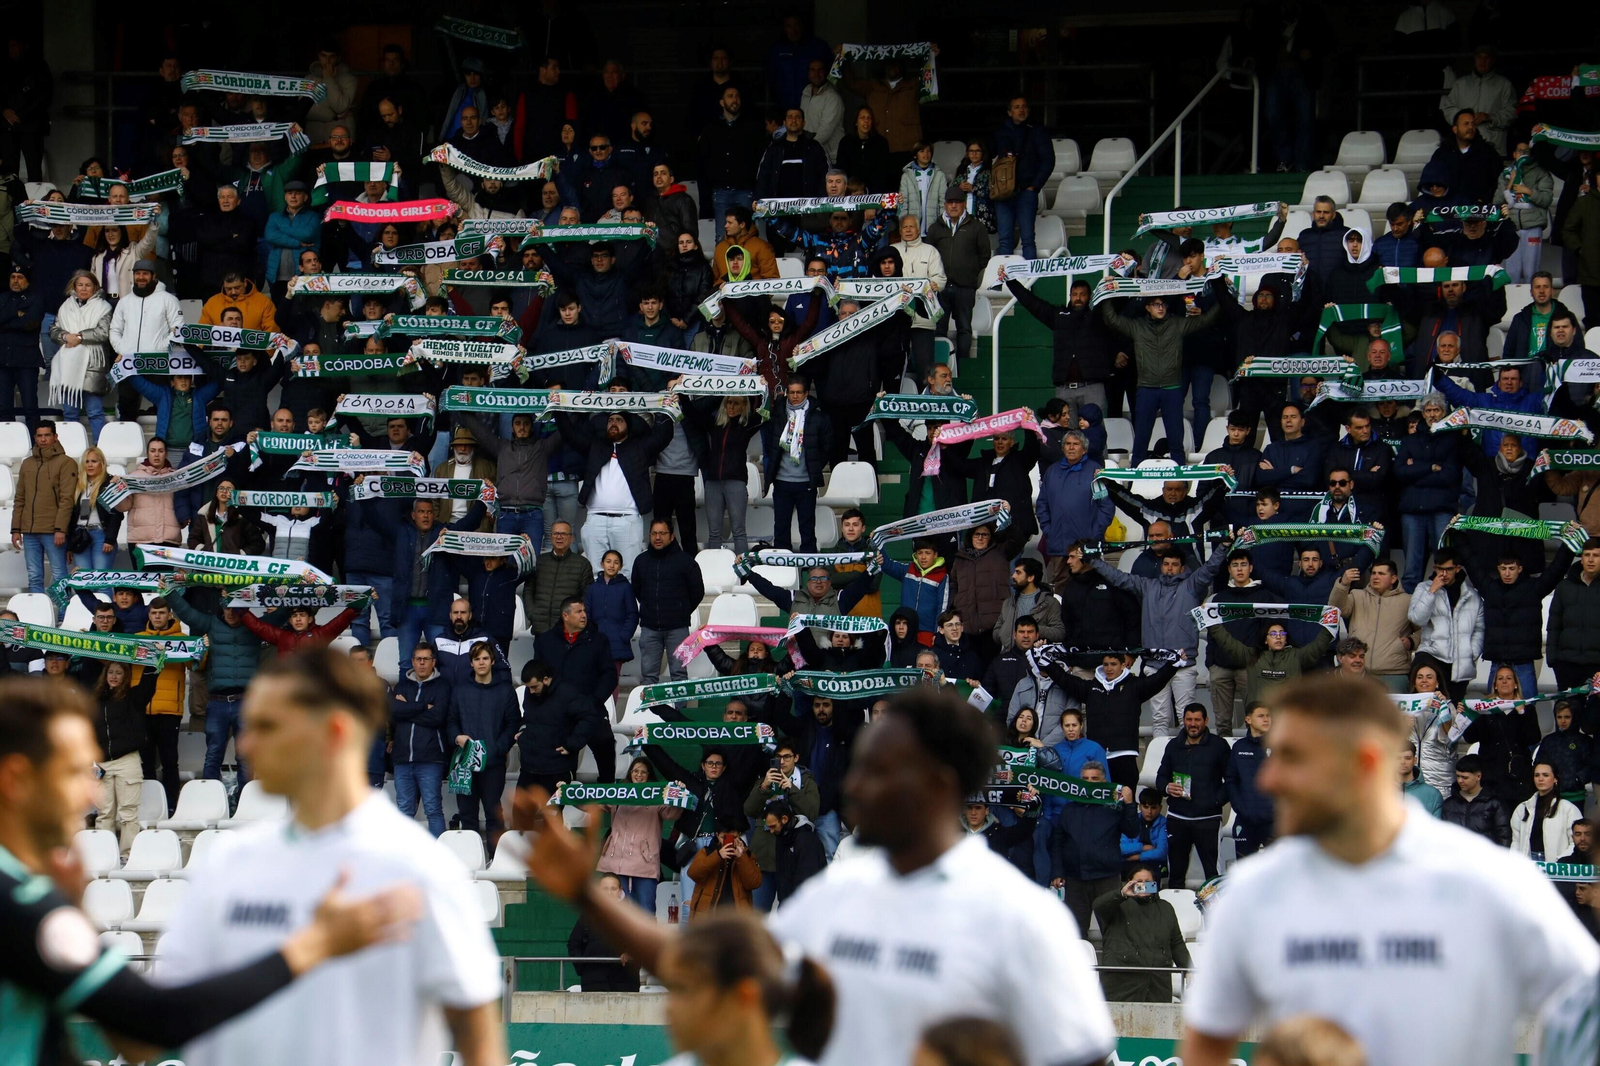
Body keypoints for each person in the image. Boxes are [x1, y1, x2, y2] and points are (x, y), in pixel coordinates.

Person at [516, 687, 1118, 1066]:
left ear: (937, 786)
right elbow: (714, 966)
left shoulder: (1023, 920)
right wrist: (584, 896)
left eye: (875, 771)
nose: (852, 787)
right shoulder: (842, 892)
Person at [0, 673, 428, 1066]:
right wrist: (315, 944)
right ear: (16, 780)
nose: (92, 793)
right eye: (74, 773)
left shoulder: (26, 894)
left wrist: (73, 906)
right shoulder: (19, 902)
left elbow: (134, 1043)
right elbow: (157, 1022)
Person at [1179, 675, 1600, 1066]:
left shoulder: (1487, 881)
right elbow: (1207, 1040)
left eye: (1293, 757)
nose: (1268, 779)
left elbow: (1586, 996)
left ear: (1362, 762)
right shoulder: (1254, 893)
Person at [152, 647, 505, 1066]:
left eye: (268, 726)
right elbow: (155, 1024)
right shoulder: (228, 860)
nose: (245, 744)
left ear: (333, 733)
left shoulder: (420, 870)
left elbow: (479, 1040)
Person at [1092, 545, 1228, 736]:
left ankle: (1187, 760)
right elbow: (1119, 578)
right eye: (1166, 564)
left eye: (1174, 565)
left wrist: (1223, 547)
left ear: (1182, 568)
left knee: (1186, 718)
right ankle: (1161, 763)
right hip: (1155, 665)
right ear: (1161, 566)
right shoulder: (1148, 586)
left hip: (1183, 665)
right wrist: (1094, 560)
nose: (1169, 568)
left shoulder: (1191, 585)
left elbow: (1211, 568)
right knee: (1159, 718)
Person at [1048, 762, 1139, 936]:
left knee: (1113, 931)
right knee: (1074, 934)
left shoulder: (1114, 807)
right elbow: (1058, 842)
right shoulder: (1069, 809)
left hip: (1106, 878)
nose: (1089, 782)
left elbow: (1133, 831)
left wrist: (1129, 804)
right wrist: (1057, 871)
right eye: (1085, 779)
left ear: (1104, 780)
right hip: (1075, 880)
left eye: (1094, 779)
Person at [446, 641, 520, 846]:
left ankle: (495, 858)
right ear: (471, 663)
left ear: (493, 661)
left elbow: (513, 723)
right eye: (477, 659)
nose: (481, 662)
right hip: (465, 762)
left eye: (485, 658)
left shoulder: (505, 690)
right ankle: (471, 857)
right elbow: (451, 720)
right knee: (467, 813)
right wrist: (457, 737)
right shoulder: (460, 690)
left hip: (493, 763)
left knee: (493, 812)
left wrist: (498, 748)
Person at [1155, 704, 1231, 888]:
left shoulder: (1219, 745)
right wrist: (1167, 787)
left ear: (1206, 721)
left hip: (1208, 819)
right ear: (1184, 721)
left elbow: (1231, 780)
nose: (1193, 724)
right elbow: (1161, 777)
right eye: (1189, 719)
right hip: (1177, 818)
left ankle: (1215, 915)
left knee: (1213, 874)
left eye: (1197, 720)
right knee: (1176, 874)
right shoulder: (1173, 745)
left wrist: (1215, 801)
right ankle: (1176, 914)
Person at [1093, 865, 1192, 1003]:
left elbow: (1176, 943)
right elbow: (1098, 906)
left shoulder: (1166, 907)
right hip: (1121, 984)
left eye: (1148, 881)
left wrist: (1188, 968)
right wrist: (1121, 894)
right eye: (1138, 881)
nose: (1144, 885)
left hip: (1157, 984)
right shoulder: (1117, 905)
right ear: (1129, 882)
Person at [91, 662, 157, 853]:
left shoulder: (134, 697)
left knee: (128, 814)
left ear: (125, 676)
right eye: (110, 672)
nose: (113, 676)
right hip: (100, 763)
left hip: (127, 760)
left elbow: (149, 682)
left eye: (118, 673)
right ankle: (104, 855)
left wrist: (155, 659)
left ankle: (128, 855)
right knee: (104, 814)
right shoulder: (94, 701)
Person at [761, 376, 833, 552]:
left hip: (805, 483)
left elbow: (827, 447)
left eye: (798, 392)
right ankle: (782, 571)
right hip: (782, 481)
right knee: (781, 528)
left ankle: (809, 572)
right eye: (791, 392)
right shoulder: (777, 414)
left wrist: (814, 468)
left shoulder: (819, 417)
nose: (794, 396)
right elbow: (770, 443)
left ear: (806, 393)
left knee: (807, 528)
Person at [1405, 545, 1482, 703]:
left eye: (1448, 569)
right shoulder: (1424, 588)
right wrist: (1431, 591)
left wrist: (1471, 652)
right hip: (1432, 654)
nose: (1443, 574)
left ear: (1458, 569)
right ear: (1434, 568)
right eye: (1440, 569)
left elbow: (1479, 629)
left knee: (1453, 710)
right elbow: (1416, 618)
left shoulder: (1472, 595)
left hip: (1460, 661)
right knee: (1425, 705)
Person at [633, 519, 705, 686]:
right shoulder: (641, 561)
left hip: (677, 628)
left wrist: (681, 611)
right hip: (650, 628)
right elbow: (637, 589)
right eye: (654, 533)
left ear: (671, 536)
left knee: (679, 676)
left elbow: (697, 591)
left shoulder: (685, 561)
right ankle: (649, 712)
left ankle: (680, 712)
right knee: (649, 677)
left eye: (662, 533)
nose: (658, 537)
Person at [11, 420, 76, 592]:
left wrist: (61, 529)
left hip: (53, 530)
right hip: (29, 531)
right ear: (35, 437)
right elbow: (20, 498)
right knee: (34, 575)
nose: (43, 439)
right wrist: (16, 528)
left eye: (47, 435)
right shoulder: (27, 463)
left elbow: (66, 499)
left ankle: (64, 615)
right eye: (39, 436)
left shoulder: (66, 462)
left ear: (55, 437)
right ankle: (35, 617)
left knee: (59, 575)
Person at [989, 97, 1052, 260]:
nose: (1021, 110)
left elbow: (1048, 160)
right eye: (1017, 107)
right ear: (1010, 112)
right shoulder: (1000, 131)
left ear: (1028, 110)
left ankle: (1028, 283)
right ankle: (1007, 282)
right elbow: (986, 157)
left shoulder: (1037, 131)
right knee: (1004, 241)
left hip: (1026, 192)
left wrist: (1034, 186)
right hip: (1003, 194)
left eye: (1024, 107)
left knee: (1028, 241)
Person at [567, 873, 642, 992]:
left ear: (620, 891)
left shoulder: (631, 917)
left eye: (613, 888)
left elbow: (642, 945)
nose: (609, 893)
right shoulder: (587, 917)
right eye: (605, 889)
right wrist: (583, 966)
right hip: (593, 983)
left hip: (625, 984)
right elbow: (573, 944)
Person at [1226, 702, 1274, 856]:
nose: (1266, 719)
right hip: (1245, 820)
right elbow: (1231, 780)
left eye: (1268, 716)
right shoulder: (1239, 747)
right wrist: (1240, 807)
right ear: (1248, 720)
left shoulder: (1279, 746)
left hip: (1274, 822)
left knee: (1279, 874)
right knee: (1245, 873)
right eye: (1261, 716)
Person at [1511, 761, 1582, 860]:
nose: (1540, 779)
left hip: (1557, 867)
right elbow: (1516, 842)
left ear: (1555, 779)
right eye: (1537, 775)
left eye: (1545, 775)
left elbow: (1575, 842)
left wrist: (1560, 862)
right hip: (1529, 864)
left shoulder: (1568, 808)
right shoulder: (1522, 808)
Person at [1438, 753, 1511, 845]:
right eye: (1458, 776)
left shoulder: (1495, 804)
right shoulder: (1449, 804)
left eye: (1465, 777)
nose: (1460, 781)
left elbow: (1504, 838)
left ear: (1478, 776)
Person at [1399, 743, 1443, 817]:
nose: (1402, 762)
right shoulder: (1380, 792)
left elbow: (1436, 826)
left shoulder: (1433, 794)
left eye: (1407, 758)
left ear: (1415, 760)